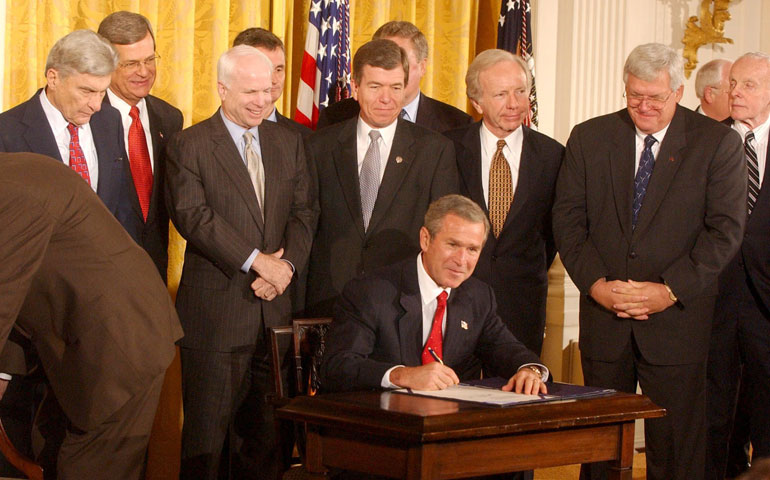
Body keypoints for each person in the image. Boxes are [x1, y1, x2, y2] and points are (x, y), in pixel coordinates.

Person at [552, 43, 747, 480]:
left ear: (678, 91)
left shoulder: (717, 143)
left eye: (655, 97)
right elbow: (568, 223)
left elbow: (724, 233)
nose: (644, 106)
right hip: (606, 318)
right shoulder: (589, 137)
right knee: (601, 447)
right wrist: (598, 285)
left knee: (677, 450)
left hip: (677, 322)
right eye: (634, 95)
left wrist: (668, 291)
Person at [165, 45, 317, 479]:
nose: (262, 101)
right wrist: (257, 263)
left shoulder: (289, 141)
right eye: (250, 91)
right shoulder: (189, 144)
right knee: (207, 445)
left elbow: (305, 213)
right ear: (222, 89)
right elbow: (193, 216)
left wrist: (284, 269)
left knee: (267, 443)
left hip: (276, 316)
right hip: (216, 315)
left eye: (268, 91)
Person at [0, 29, 135, 476]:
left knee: (77, 444)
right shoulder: (6, 133)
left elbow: (116, 216)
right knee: (24, 445)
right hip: (29, 326)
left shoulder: (110, 122)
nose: (96, 104)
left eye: (102, 92)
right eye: (87, 91)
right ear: (52, 77)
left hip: (93, 325)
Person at [0, 152, 183, 480]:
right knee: (53, 453)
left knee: (88, 469)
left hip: (122, 341)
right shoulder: (14, 175)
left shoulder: (14, 190)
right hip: (77, 346)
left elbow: (3, 294)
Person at [321, 194, 548, 395]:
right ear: (426, 239)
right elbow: (338, 366)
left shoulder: (478, 296)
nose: (461, 260)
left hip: (450, 428)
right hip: (383, 426)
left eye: (472, 249)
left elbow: (505, 349)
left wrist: (529, 369)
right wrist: (401, 375)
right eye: (452, 245)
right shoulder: (371, 292)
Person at [304, 38, 459, 316]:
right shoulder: (319, 147)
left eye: (396, 87)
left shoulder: (435, 150)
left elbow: (442, 232)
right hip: (328, 300)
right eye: (375, 87)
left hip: (401, 303)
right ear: (355, 87)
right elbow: (305, 221)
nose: (386, 98)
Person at [445, 49, 563, 355]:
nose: (514, 104)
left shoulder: (553, 156)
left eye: (520, 92)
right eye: (500, 94)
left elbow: (553, 235)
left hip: (522, 305)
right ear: (476, 101)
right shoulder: (447, 149)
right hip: (456, 299)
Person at [706, 52, 770, 480]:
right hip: (711, 301)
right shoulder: (705, 142)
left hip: (767, 306)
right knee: (714, 417)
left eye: (748, 84)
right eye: (733, 84)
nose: (736, 92)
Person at [98, 11, 184, 281]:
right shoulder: (86, 117)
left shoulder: (170, 118)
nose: (144, 72)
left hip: (154, 271)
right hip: (100, 271)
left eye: (149, 60)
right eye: (131, 64)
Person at [316, 20, 472, 132]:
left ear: (422, 66)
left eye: (401, 63)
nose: (390, 71)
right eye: (382, 61)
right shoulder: (335, 117)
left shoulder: (457, 124)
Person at [233, 27, 312, 138]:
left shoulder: (303, 138)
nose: (274, 80)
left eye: (278, 69)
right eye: (265, 69)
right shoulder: (202, 139)